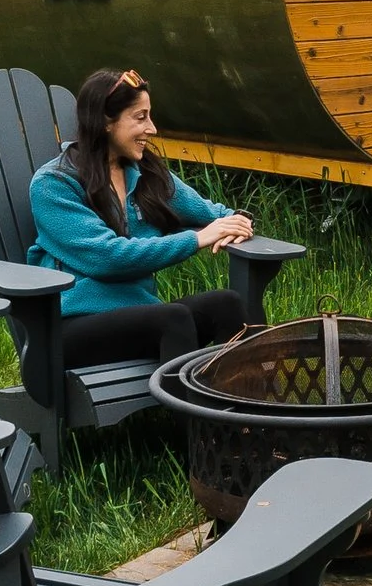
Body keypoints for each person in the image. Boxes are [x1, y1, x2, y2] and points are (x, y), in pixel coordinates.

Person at [27, 66, 257, 368]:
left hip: (143, 316)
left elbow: (214, 214)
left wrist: (238, 222)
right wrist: (196, 239)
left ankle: (247, 409)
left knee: (226, 305)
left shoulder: (146, 175)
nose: (152, 128)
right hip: (72, 328)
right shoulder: (54, 185)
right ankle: (193, 416)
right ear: (106, 122)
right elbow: (107, 258)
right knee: (173, 318)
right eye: (140, 117)